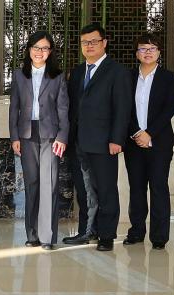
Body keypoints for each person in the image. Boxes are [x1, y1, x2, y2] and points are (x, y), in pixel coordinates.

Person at [65, 23, 132, 252]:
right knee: (83, 190)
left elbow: (122, 109)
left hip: (104, 142)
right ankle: (87, 231)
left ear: (104, 43)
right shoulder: (76, 72)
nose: (89, 46)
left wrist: (117, 139)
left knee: (105, 189)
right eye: (85, 42)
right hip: (78, 142)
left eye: (94, 41)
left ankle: (106, 234)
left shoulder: (117, 71)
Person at [9, 31, 69, 251]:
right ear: (29, 50)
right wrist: (14, 136)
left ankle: (48, 237)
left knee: (49, 184)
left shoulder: (58, 77)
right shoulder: (19, 75)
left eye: (44, 48)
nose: (39, 52)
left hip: (50, 135)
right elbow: (13, 108)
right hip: (26, 134)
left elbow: (63, 109)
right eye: (35, 47)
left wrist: (62, 137)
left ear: (50, 52)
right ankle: (32, 234)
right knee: (31, 184)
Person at [123, 34, 174, 250]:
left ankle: (159, 237)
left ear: (159, 53)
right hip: (133, 142)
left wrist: (149, 134)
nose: (147, 52)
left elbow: (169, 109)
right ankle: (136, 232)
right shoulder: (126, 77)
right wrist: (137, 132)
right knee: (136, 188)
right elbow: (123, 108)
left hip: (160, 143)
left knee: (158, 188)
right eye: (143, 48)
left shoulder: (169, 78)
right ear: (136, 53)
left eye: (152, 48)